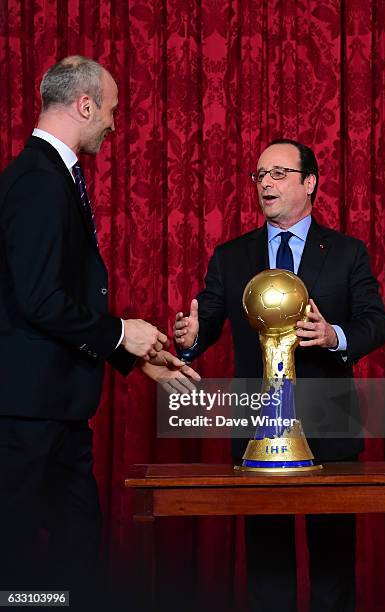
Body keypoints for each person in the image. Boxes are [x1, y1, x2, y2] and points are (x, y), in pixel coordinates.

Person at [0, 56, 199, 604]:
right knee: (17, 557)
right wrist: (119, 336)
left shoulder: (52, 175)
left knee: (76, 549)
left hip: (56, 410)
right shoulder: (38, 181)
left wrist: (134, 355)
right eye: (110, 110)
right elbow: (41, 300)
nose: (114, 123)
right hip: (28, 414)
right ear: (84, 105)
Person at [174, 139, 385, 611]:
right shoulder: (232, 256)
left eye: (277, 173)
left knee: (333, 571)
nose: (265, 184)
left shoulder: (347, 252)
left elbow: (377, 322)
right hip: (259, 431)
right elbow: (205, 322)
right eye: (258, 175)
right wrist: (190, 335)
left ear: (309, 182)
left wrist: (334, 336)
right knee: (268, 573)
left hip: (331, 429)